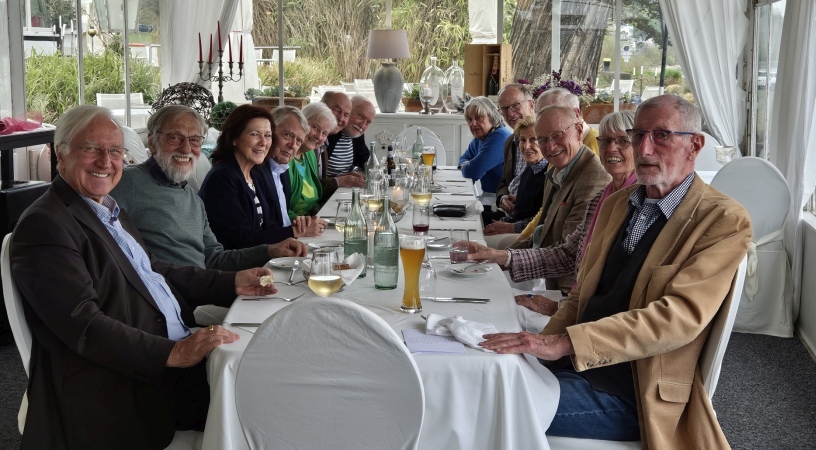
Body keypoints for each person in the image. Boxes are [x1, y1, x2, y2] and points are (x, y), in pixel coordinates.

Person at [481, 95, 752, 447]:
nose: (644, 148)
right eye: (638, 135)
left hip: (636, 393)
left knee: (490, 403)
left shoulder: (722, 219)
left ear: (695, 145)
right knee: (483, 374)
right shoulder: (618, 203)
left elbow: (677, 318)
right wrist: (542, 346)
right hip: (578, 367)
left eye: (662, 135)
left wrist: (563, 343)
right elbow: (582, 294)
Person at [10, 105, 278, 449]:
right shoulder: (45, 224)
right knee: (261, 394)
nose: (106, 161)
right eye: (91, 148)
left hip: (161, 354)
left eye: (115, 151)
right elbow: (83, 324)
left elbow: (155, 270)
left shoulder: (106, 208)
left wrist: (232, 282)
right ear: (60, 154)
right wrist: (174, 352)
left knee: (268, 359)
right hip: (128, 382)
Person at [467, 111, 638, 314]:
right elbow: (569, 252)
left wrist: (558, 308)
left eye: (623, 141)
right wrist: (500, 256)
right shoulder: (603, 195)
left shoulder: (634, 200)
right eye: (605, 140)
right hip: (574, 299)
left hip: (585, 309)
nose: (611, 148)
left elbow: (621, 289)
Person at [111, 105, 307, 272]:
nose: (186, 148)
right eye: (175, 138)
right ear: (153, 142)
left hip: (207, 288)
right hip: (180, 298)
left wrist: (271, 251)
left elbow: (214, 258)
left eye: (195, 140)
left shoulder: (191, 197)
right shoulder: (127, 182)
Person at [507, 105, 611, 292]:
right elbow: (541, 234)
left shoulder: (594, 178)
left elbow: (568, 256)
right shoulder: (556, 169)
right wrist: (501, 255)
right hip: (541, 272)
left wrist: (506, 258)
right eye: (542, 139)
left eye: (557, 135)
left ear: (579, 130)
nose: (550, 146)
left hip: (563, 288)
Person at [198, 105, 314, 250]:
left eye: (267, 135)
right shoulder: (222, 178)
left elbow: (269, 225)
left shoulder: (254, 173)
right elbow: (242, 239)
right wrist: (294, 232)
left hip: (260, 256)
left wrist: (298, 226)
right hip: (236, 262)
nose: (263, 142)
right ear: (234, 137)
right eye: (255, 134)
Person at [482, 115, 547, 248]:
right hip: (515, 225)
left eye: (533, 140)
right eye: (522, 140)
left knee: (475, 241)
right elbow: (522, 212)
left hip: (531, 237)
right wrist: (501, 221)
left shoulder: (549, 174)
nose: (526, 146)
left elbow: (544, 219)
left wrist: (509, 226)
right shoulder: (529, 170)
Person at [261, 105, 326, 236]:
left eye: (299, 141)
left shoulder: (281, 169)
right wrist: (297, 230)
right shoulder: (257, 172)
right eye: (287, 135)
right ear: (270, 131)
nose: (292, 145)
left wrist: (302, 223)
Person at [458, 96, 512, 204]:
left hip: (503, 200)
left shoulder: (500, 137)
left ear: (492, 117)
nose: (473, 123)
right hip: (490, 196)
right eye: (469, 119)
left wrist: (467, 166)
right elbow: (463, 158)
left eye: (479, 118)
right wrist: (466, 165)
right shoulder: (481, 138)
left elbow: (473, 172)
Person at [495, 83, 537, 216]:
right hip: (511, 215)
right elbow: (504, 181)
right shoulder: (509, 141)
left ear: (531, 105)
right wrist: (503, 199)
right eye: (504, 109)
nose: (510, 113)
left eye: (515, 106)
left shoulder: (546, 141)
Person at [289, 102, 337, 218]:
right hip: (292, 224)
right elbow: (279, 208)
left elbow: (313, 200)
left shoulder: (310, 154)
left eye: (324, 133)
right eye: (315, 127)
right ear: (302, 122)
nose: (319, 136)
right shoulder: (286, 156)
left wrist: (318, 216)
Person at [316, 91, 364, 198]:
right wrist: (341, 180)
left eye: (346, 115)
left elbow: (317, 180)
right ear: (321, 107)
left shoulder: (323, 142)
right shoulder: (311, 142)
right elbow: (307, 191)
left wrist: (340, 177)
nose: (341, 118)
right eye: (337, 110)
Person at [323, 94, 374, 177]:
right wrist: (338, 180)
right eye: (360, 117)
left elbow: (364, 158)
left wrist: (373, 169)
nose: (362, 125)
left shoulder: (357, 136)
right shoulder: (329, 133)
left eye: (368, 122)